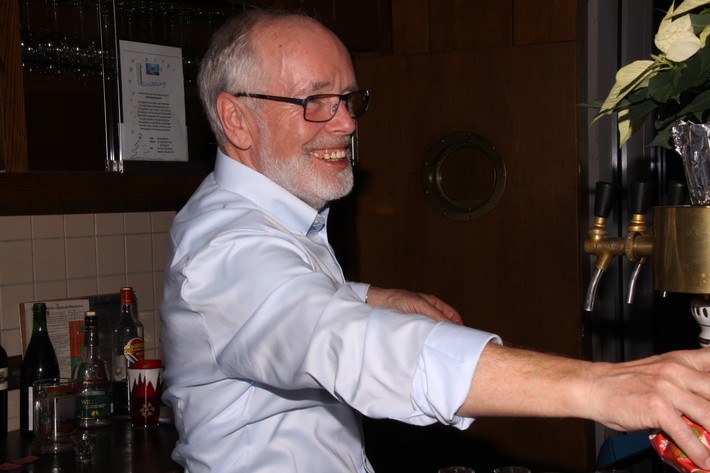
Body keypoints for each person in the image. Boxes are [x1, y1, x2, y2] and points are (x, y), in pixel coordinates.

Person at [160, 9, 710, 473]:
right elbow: (344, 342)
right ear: (236, 118)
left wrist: (370, 295)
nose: (346, 123)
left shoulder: (253, 216)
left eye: (348, 99)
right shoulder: (226, 246)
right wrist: (601, 387)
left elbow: (285, 302)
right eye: (316, 101)